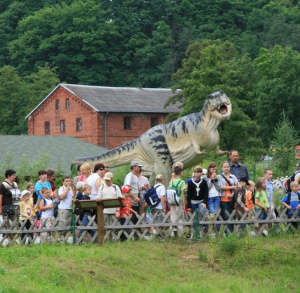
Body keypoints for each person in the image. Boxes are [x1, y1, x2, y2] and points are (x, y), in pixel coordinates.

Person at [186, 166, 208, 238]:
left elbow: (206, 193)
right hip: (193, 202)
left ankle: (205, 227)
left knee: (202, 211)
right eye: (197, 172)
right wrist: (189, 206)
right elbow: (188, 195)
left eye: (200, 172)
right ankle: (196, 232)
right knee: (194, 217)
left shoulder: (204, 182)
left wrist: (204, 202)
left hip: (201, 201)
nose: (199, 174)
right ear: (194, 173)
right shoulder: (191, 182)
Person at [168, 165, 187, 237]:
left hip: (172, 201)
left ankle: (173, 233)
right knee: (180, 216)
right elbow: (183, 192)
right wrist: (184, 202)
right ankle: (181, 232)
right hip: (179, 201)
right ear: (181, 173)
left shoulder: (172, 182)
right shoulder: (182, 182)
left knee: (173, 216)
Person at [219, 161, 238, 232]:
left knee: (233, 215)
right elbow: (221, 187)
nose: (226, 168)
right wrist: (233, 187)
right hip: (223, 199)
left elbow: (237, 185)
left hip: (232, 199)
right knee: (225, 216)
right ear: (222, 168)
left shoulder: (233, 177)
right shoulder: (219, 177)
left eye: (227, 167)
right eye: (224, 167)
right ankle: (227, 232)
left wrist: (233, 187)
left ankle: (232, 231)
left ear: (229, 168)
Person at [205, 162, 222, 236]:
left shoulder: (218, 177)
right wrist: (211, 180)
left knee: (216, 213)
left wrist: (215, 180)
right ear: (209, 169)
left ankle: (216, 231)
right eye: (213, 169)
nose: (214, 171)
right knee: (212, 214)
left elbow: (219, 188)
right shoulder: (205, 178)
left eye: (215, 169)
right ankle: (212, 231)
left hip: (217, 196)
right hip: (209, 197)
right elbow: (207, 188)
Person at [148, 174, 167, 240]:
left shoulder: (154, 187)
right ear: (162, 180)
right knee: (161, 221)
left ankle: (157, 235)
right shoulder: (162, 187)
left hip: (153, 206)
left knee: (156, 221)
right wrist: (164, 207)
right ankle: (160, 236)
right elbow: (162, 197)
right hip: (159, 207)